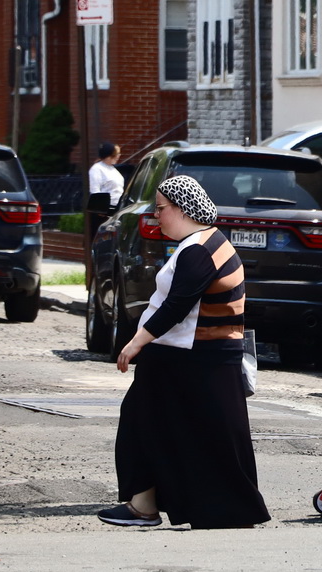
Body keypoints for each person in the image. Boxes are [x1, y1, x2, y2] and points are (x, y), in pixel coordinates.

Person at [97, 175, 270, 529]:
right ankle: (151, 505)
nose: (157, 216)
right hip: (199, 355)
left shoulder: (197, 249)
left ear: (181, 208)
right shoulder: (209, 241)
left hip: (188, 355)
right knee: (179, 430)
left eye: (160, 209)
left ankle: (145, 507)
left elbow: (177, 304)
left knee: (144, 423)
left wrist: (137, 341)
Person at [88, 142, 125, 208]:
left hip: (119, 206)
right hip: (106, 208)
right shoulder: (96, 169)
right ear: (108, 156)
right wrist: (100, 208)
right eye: (116, 154)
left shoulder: (113, 168)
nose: (119, 156)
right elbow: (95, 191)